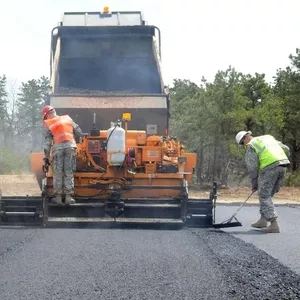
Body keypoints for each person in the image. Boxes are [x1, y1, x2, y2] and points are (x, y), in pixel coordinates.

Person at [235, 130, 290, 233]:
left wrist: (254, 181)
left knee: (264, 195)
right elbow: (285, 147)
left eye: (242, 143)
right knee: (267, 194)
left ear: (246, 137)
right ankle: (263, 220)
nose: (243, 145)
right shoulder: (267, 137)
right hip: (283, 164)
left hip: (271, 166)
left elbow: (252, 166)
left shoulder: (251, 145)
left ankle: (274, 224)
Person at [42, 105, 84, 205]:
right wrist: (81, 138)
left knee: (58, 172)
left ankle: (58, 198)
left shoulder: (49, 123)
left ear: (47, 115)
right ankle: (69, 198)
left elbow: (47, 143)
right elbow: (79, 131)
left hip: (58, 150)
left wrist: (46, 157)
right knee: (68, 171)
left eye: (45, 117)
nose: (46, 119)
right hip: (70, 147)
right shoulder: (67, 118)